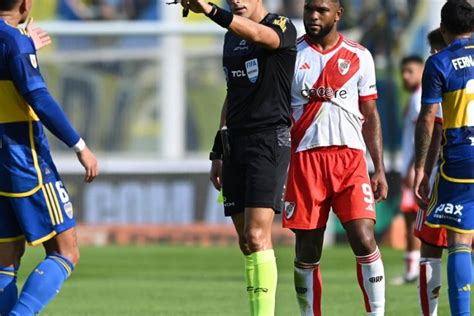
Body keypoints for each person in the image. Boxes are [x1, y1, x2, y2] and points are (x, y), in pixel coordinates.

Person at [181, 0, 296, 315]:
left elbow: (262, 36)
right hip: (236, 143)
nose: (237, 1)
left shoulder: (282, 26)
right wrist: (219, 148)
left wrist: (211, 11)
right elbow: (233, 93)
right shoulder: (231, 36)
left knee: (258, 235)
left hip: (268, 141)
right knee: (247, 241)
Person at [282, 0, 388, 315]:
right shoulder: (290, 56)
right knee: (308, 248)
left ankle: (377, 312)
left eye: (321, 10)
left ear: (337, 14)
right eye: (308, 10)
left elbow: (370, 115)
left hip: (350, 159)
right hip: (306, 159)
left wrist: (379, 168)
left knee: (363, 237)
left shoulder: (359, 56)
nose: (313, 16)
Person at [0, 0, 99, 314]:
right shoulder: (14, 43)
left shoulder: (16, 43)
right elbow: (38, 97)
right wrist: (79, 145)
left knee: (5, 260)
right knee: (65, 251)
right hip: (24, 159)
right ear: (27, 4)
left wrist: (26, 50)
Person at [414, 1, 474, 315]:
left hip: (462, 159)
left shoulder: (440, 62)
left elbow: (428, 119)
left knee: (459, 242)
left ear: (444, 27)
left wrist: (420, 168)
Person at [413, 27, 447, 316]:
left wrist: (422, 170)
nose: (434, 55)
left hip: (445, 172)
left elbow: (432, 126)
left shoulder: (441, 70)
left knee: (431, 245)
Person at [391, 55, 425, 285]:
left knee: (413, 218)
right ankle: (413, 268)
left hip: (415, 168)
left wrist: (414, 165)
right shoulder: (414, 97)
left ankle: (413, 270)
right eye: (403, 71)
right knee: (410, 217)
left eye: (410, 71)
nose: (405, 76)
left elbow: (425, 133)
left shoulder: (419, 97)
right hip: (412, 166)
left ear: (422, 71)